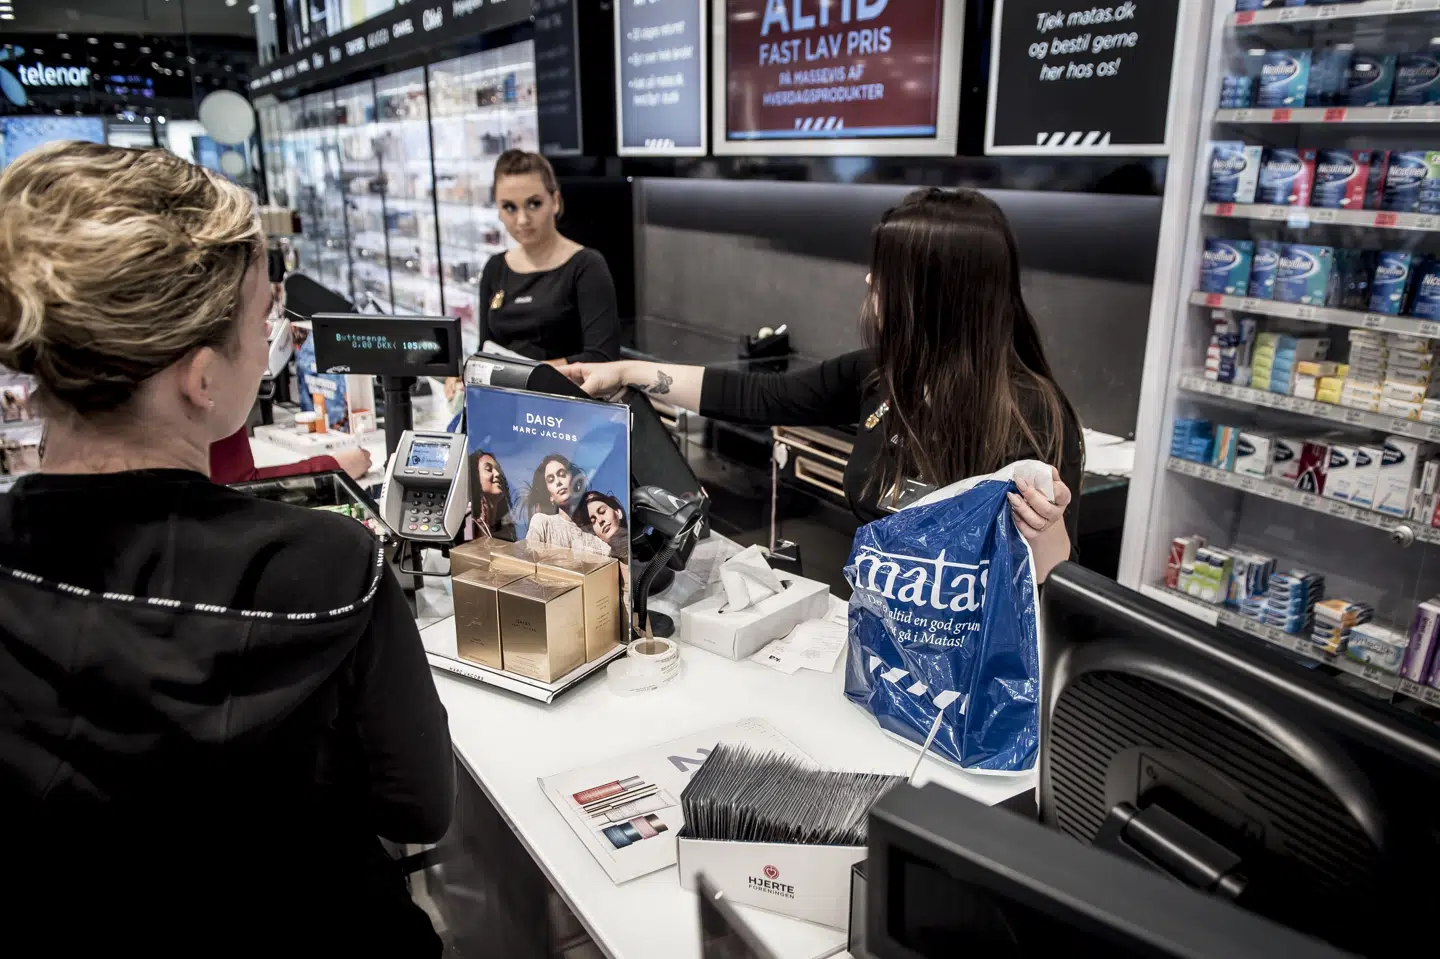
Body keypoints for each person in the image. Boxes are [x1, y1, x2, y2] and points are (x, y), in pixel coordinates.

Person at [0, 142, 453, 954]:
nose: (274, 339)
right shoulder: (328, 570)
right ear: (200, 379)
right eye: (262, 321)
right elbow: (419, 806)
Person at [560, 188, 1083, 582]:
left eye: (885, 270)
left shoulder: (1032, 414)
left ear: (937, 291)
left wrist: (1047, 528)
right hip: (876, 644)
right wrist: (626, 373)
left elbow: (1050, 585)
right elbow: (761, 397)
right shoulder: (883, 372)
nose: (869, 281)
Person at [477, 150, 621, 364]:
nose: (522, 219)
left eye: (534, 204)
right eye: (509, 207)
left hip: (565, 395)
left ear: (555, 201)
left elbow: (601, 358)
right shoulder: (495, 268)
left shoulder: (586, 266)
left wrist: (524, 373)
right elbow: (485, 351)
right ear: (498, 210)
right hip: (506, 395)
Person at [523, 453, 608, 553]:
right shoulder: (542, 523)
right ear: (550, 496)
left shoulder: (596, 535)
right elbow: (530, 561)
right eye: (551, 480)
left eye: (562, 474)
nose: (558, 482)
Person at [467, 449, 514, 540]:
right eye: (488, 469)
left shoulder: (506, 523)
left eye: (499, 470)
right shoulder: (468, 521)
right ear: (475, 475)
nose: (497, 474)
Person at [577, 489, 629, 564]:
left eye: (602, 512)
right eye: (593, 521)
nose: (600, 520)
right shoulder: (603, 566)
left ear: (618, 512)